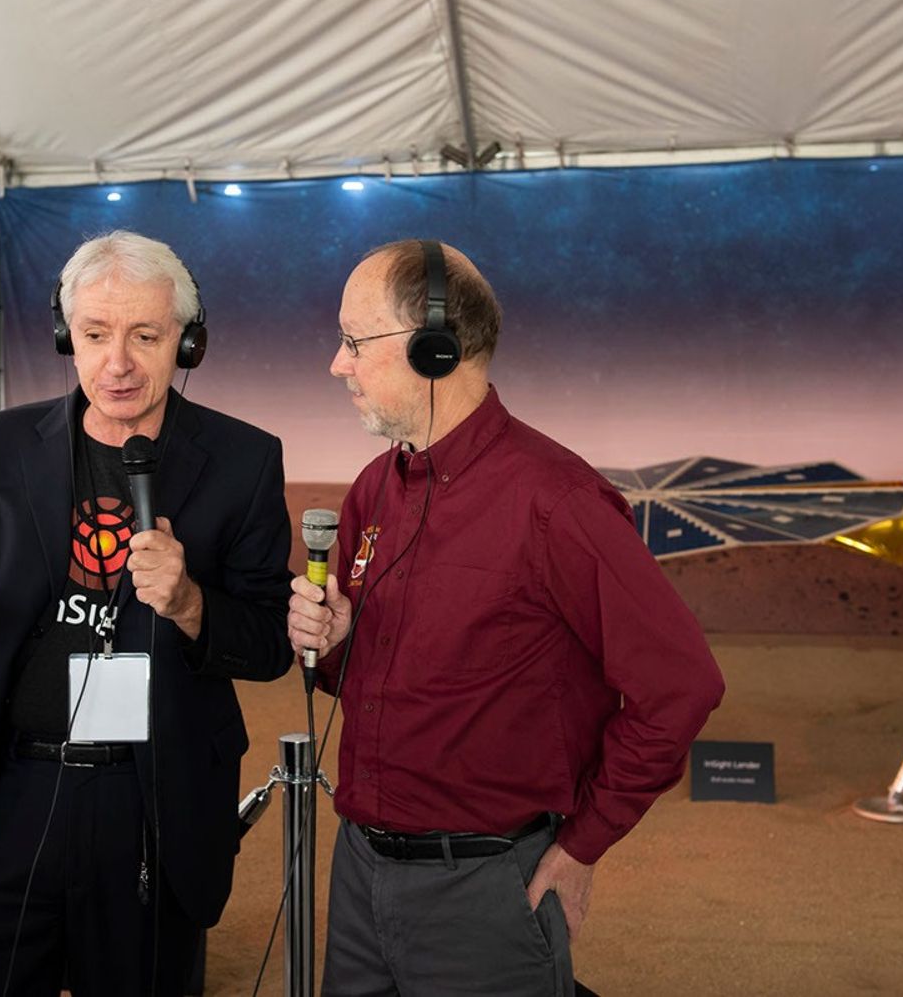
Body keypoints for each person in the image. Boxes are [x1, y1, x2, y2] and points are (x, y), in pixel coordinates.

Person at [0, 230, 294, 996]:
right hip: (6, 786)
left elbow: (269, 639)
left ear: (187, 340)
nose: (117, 362)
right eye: (94, 334)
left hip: (151, 798)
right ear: (65, 336)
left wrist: (188, 603)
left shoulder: (243, 461)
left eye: (145, 335)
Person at [288, 239, 725, 995]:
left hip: (486, 887)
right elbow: (354, 679)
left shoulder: (558, 503)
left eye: (355, 342)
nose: (338, 364)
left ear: (435, 348)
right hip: (359, 872)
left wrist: (585, 845)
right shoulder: (375, 489)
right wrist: (333, 641)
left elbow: (681, 686)